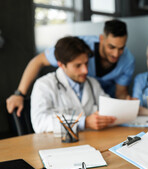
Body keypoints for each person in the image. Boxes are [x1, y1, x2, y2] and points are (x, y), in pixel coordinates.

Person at [7, 19, 135, 117]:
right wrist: (20, 93)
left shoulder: (127, 61)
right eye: (111, 47)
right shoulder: (76, 48)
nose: (116, 54)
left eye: (121, 48)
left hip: (101, 101)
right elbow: (38, 61)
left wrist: (127, 105)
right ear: (102, 39)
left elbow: (120, 94)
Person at [31, 36, 116, 133]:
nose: (85, 70)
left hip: (90, 142)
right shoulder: (44, 85)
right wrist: (84, 122)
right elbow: (40, 123)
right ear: (61, 65)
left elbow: (109, 107)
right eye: (78, 65)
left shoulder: (92, 83)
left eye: (86, 63)